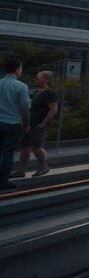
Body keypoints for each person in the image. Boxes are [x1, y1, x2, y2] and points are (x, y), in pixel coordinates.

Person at [12, 71, 58, 178]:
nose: (36, 80)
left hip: (39, 125)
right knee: (24, 147)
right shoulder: (35, 92)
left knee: (36, 147)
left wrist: (43, 123)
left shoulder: (50, 93)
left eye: (38, 78)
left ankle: (44, 166)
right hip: (28, 124)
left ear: (46, 80)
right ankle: (21, 170)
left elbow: (53, 110)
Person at [0, 59, 30, 190]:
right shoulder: (21, 86)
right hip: (13, 123)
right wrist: (26, 123)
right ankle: (2, 181)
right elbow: (25, 107)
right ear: (18, 69)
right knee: (8, 152)